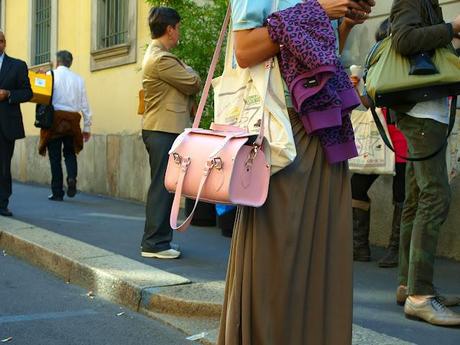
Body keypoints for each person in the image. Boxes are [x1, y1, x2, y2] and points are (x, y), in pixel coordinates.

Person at [218, 1, 374, 344]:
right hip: (282, 134)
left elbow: (317, 58)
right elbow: (244, 50)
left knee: (323, 259)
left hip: (325, 128)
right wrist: (318, 10)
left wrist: (344, 22)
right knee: (278, 258)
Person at [390, 0, 460, 326]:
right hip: (421, 113)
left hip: (424, 112)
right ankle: (420, 295)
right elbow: (403, 40)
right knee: (436, 195)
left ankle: (410, 285)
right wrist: (452, 29)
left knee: (418, 198)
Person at [141, 7, 200, 260]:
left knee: (165, 186)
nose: (180, 33)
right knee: (162, 188)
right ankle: (154, 243)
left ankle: (159, 241)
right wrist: (191, 71)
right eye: (178, 28)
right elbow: (193, 82)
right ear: (170, 29)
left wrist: (187, 71)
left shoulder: (160, 55)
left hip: (163, 128)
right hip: (162, 129)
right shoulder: (161, 59)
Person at [350, 19, 408, 268]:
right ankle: (358, 246)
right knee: (356, 186)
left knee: (401, 193)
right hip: (381, 138)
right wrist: (355, 87)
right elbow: (368, 103)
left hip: (407, 138)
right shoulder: (379, 66)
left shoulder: (410, 66)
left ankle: (397, 249)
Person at [38, 50, 91, 201]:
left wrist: (40, 76)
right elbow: (85, 105)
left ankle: (57, 192)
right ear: (70, 63)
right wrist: (86, 127)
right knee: (70, 154)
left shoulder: (50, 75)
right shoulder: (79, 79)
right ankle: (72, 178)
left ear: (57, 61)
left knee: (55, 157)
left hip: (54, 120)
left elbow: (40, 95)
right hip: (72, 122)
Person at [0, 31, 33, 217]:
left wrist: (9, 94)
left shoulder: (17, 66)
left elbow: (27, 93)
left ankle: (2, 203)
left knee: (3, 166)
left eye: (1, 41)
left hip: (6, 125)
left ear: (4, 43)